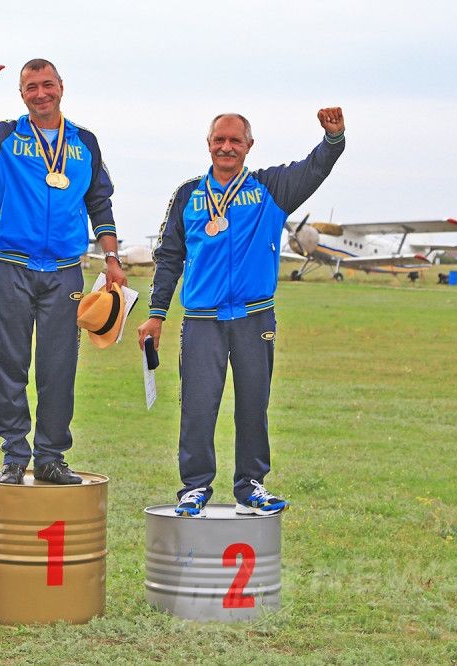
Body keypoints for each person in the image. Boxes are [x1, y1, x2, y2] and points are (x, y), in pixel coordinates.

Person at [137, 108, 346, 517]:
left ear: (249, 146)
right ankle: (194, 487)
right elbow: (169, 258)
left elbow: (315, 167)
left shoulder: (272, 188)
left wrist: (333, 138)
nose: (227, 147)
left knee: (254, 402)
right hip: (202, 320)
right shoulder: (188, 194)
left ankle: (251, 484)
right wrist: (156, 313)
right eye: (220, 139)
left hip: (254, 317)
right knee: (198, 405)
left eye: (235, 140)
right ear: (209, 144)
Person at [0, 39, 126, 485]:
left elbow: (99, 202)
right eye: (31, 87)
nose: (40, 93)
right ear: (21, 94)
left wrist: (113, 255)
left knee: (58, 367)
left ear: (61, 87)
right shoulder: (4, 136)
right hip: (11, 267)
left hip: (66, 271)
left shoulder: (84, 143)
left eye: (47, 84)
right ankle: (13, 454)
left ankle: (50, 456)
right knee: (8, 363)